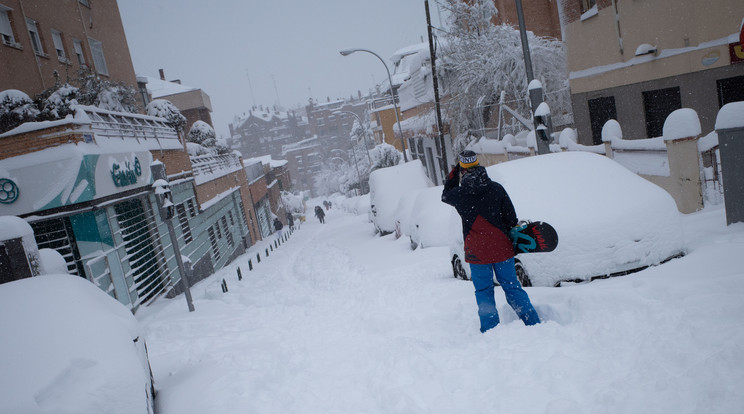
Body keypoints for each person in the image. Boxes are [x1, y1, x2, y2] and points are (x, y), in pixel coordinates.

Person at [442, 150, 540, 333]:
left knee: (484, 293)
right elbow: (512, 219)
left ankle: (490, 332)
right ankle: (533, 323)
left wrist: (455, 172)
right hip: (502, 249)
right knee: (512, 288)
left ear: (463, 170)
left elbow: (445, 195)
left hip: (477, 253)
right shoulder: (496, 189)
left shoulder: (461, 194)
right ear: (479, 166)